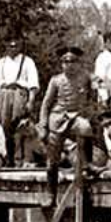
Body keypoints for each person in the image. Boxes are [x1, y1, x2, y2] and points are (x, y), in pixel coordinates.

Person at [39, 44, 96, 194]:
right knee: (52, 160)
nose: (69, 65)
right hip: (58, 119)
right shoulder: (56, 80)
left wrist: (89, 111)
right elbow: (46, 104)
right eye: (66, 62)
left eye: (73, 61)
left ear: (78, 63)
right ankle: (50, 192)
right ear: (62, 64)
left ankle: (88, 164)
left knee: (86, 128)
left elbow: (92, 97)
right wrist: (43, 125)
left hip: (75, 117)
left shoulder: (85, 78)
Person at [0, 35, 40, 165]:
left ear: (20, 45)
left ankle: (20, 158)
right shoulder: (2, 62)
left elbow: (33, 83)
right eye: (10, 46)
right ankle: (7, 158)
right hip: (4, 94)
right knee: (4, 128)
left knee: (19, 125)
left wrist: (31, 100)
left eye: (15, 45)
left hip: (19, 93)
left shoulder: (27, 61)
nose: (13, 48)